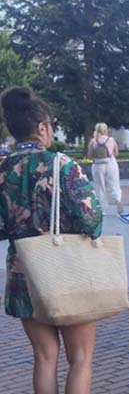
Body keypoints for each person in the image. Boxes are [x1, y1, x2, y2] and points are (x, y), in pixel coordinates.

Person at [0, 87, 103, 393]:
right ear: (42, 127)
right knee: (81, 358)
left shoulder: (3, 169)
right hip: (66, 269)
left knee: (44, 357)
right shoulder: (61, 164)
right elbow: (92, 220)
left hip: (23, 271)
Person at [87, 122, 123, 214]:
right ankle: (117, 199)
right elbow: (116, 153)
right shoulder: (111, 140)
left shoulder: (93, 141)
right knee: (114, 184)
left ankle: (102, 209)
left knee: (100, 187)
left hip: (98, 165)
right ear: (106, 130)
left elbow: (90, 155)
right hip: (111, 163)